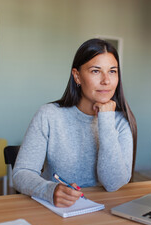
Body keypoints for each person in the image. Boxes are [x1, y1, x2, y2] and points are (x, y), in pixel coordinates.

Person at [13, 38, 137, 207]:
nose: (106, 80)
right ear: (77, 76)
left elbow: (113, 183)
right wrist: (50, 189)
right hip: (56, 210)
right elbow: (21, 173)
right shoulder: (49, 115)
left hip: (103, 211)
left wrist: (106, 120)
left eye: (112, 71)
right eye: (95, 71)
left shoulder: (121, 122)